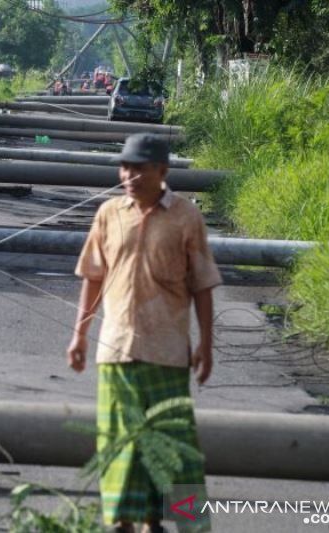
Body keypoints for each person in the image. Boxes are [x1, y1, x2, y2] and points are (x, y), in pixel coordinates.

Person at [67, 133, 221, 533]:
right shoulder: (108, 214)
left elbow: (203, 284)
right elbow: (93, 277)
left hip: (168, 351)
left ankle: (179, 522)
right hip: (115, 349)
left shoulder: (186, 217)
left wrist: (205, 344)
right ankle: (121, 521)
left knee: (172, 446)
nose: (130, 175)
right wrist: (79, 336)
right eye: (125, 168)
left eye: (139, 168)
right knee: (119, 444)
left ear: (163, 172)